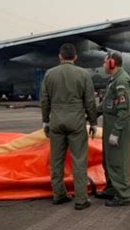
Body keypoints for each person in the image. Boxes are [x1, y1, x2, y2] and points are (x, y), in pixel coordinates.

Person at [41, 43, 98, 210]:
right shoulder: (83, 74)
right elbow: (89, 101)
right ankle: (81, 199)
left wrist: (46, 121)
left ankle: (58, 194)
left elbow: (44, 100)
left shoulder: (50, 74)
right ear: (75, 57)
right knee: (79, 160)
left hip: (56, 121)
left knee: (56, 160)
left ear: (60, 56)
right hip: (76, 121)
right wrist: (93, 122)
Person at [97, 52, 130, 207]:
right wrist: (92, 113)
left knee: (118, 161)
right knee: (109, 159)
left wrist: (116, 132)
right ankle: (112, 188)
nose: (103, 65)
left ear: (112, 63)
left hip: (118, 127)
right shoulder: (114, 80)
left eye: (104, 62)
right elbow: (107, 103)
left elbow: (124, 110)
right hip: (110, 124)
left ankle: (123, 196)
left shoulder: (121, 82)